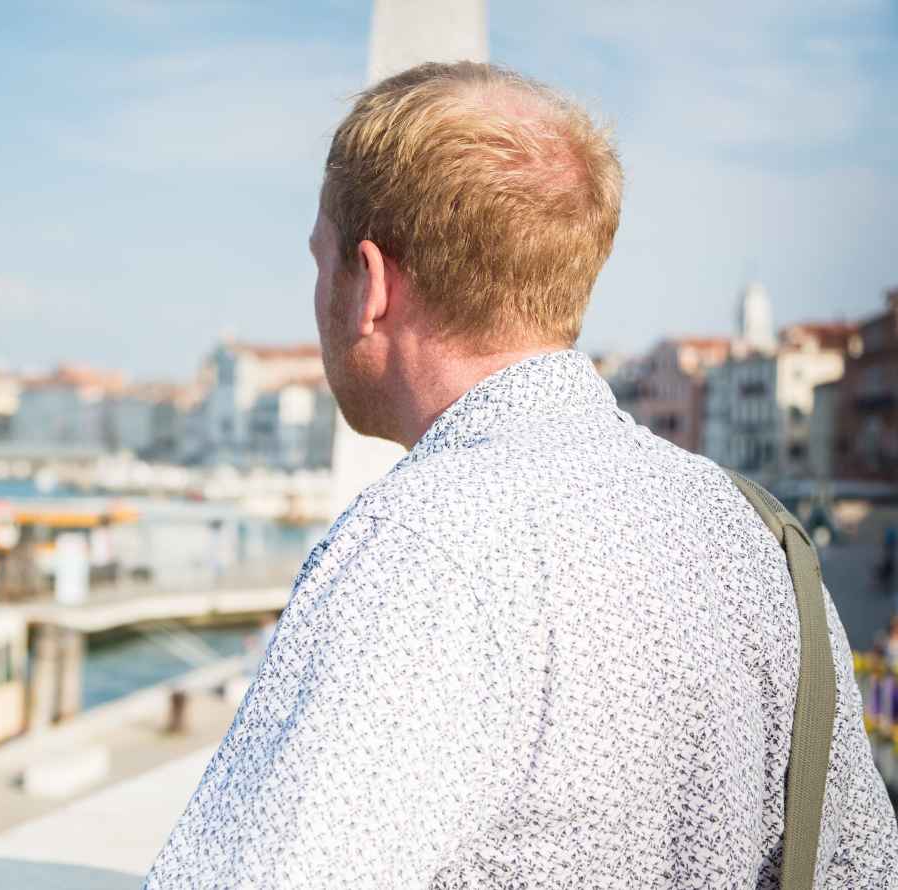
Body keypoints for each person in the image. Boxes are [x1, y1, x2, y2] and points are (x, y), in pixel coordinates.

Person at [144, 62, 896, 888]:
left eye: (320, 262)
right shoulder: (762, 539)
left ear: (371, 284)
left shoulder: (421, 547)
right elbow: (861, 865)